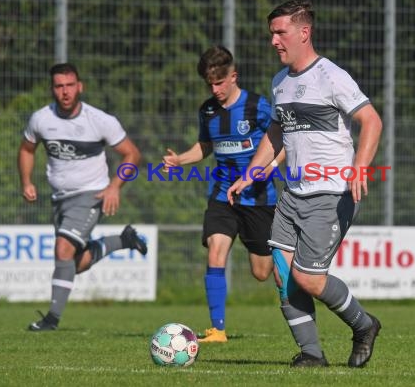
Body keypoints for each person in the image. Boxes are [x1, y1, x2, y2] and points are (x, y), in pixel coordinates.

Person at [228, 0, 383, 367]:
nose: (274, 41)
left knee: (309, 279)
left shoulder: (331, 76)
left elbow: (371, 120)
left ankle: (364, 325)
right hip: (292, 195)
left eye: (280, 33)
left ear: (304, 32)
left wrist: (360, 166)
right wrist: (250, 173)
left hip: (331, 193)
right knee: (283, 276)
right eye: (271, 34)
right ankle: (312, 354)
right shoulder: (280, 82)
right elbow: (277, 131)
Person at [162, 45, 283, 343]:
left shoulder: (258, 106)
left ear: (233, 77)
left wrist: (272, 166)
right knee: (215, 253)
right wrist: (180, 160)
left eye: (219, 82)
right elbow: (205, 147)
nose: (214, 89)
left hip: (258, 198)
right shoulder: (208, 110)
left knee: (261, 271)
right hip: (222, 196)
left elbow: (283, 140)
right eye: (209, 84)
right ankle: (217, 330)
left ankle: (294, 288)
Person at [18, 62, 148, 331]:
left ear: (80, 87)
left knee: (63, 250)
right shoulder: (41, 119)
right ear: (52, 89)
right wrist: (26, 181)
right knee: (71, 264)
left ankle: (51, 320)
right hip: (60, 198)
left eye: (69, 85)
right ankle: (121, 240)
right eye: (59, 86)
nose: (64, 91)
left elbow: (132, 154)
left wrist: (114, 187)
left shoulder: (99, 121)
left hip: (92, 194)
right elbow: (27, 150)